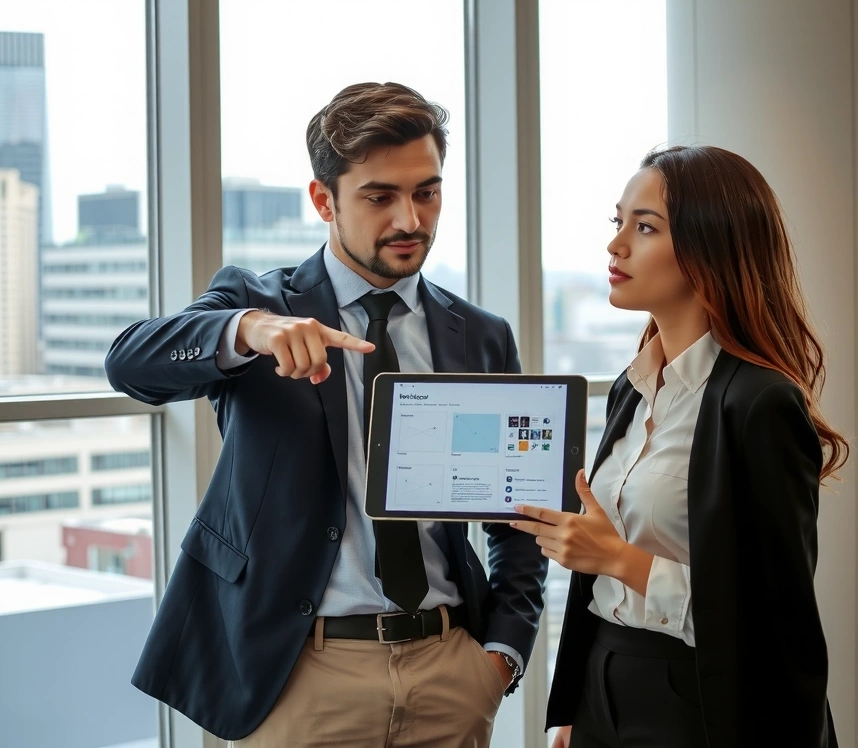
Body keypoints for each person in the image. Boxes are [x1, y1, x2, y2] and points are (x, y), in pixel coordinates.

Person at [105, 82, 547, 748]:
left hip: (449, 672)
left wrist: (500, 656)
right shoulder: (256, 305)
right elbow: (130, 364)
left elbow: (520, 518)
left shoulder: (480, 335)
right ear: (323, 200)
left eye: (427, 192)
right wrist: (248, 330)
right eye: (379, 197)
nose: (410, 220)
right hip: (299, 677)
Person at [511, 145, 848, 747]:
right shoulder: (633, 387)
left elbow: (777, 620)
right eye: (618, 223)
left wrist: (617, 558)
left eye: (644, 228)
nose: (616, 246)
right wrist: (576, 709)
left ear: (708, 247)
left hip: (700, 703)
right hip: (603, 685)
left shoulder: (758, 403)